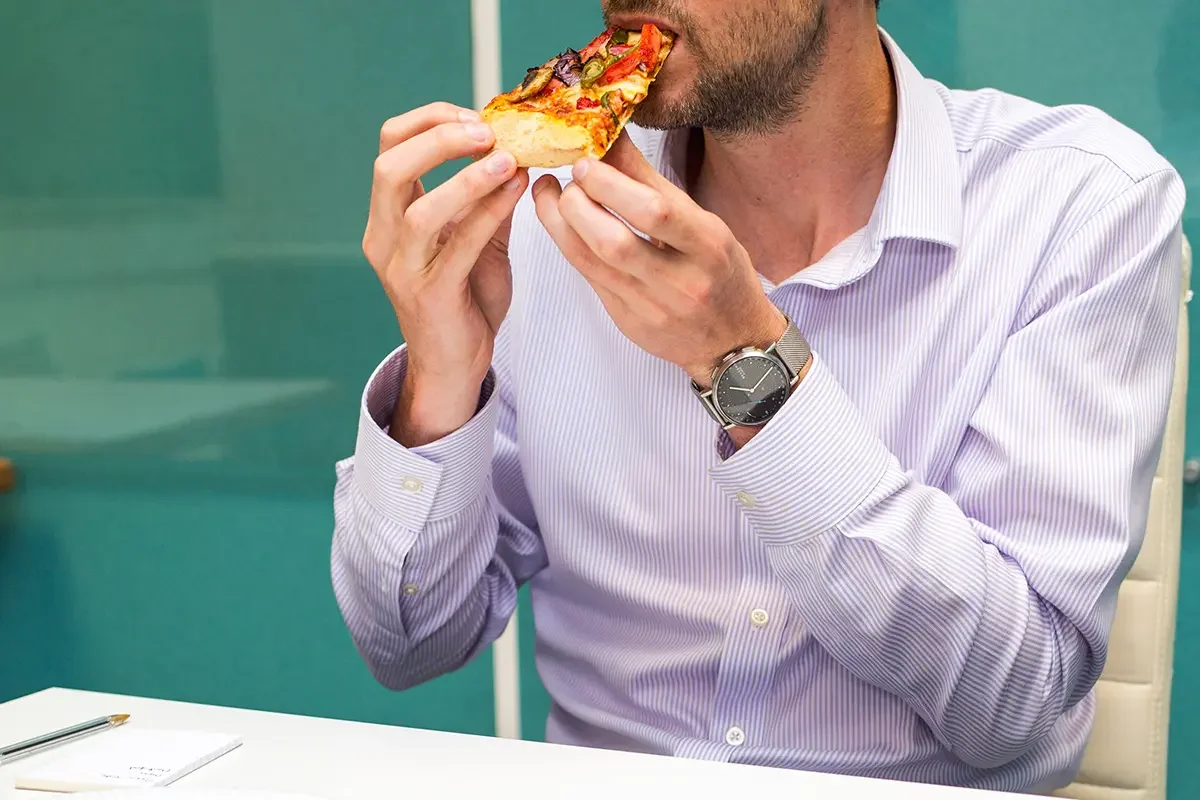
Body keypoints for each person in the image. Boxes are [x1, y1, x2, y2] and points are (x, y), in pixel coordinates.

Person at [331, 0, 1186, 793]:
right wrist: (443, 374)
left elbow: (1013, 699)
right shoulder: (544, 213)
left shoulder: (1079, 207)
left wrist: (745, 362)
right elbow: (408, 643)